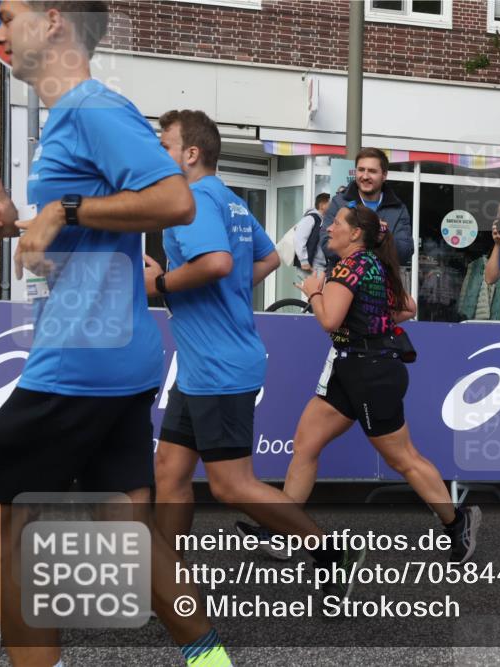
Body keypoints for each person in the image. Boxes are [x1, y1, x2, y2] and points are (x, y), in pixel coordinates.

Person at [0, 3, 226, 666]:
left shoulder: (93, 109)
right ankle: (212, 662)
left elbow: (176, 200)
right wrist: (20, 223)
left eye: (9, 14)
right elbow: (89, 229)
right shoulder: (73, 115)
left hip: (80, 360)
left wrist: (63, 208)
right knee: (130, 535)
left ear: (55, 20)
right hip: (116, 355)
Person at [146, 110, 365, 601]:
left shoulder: (198, 198)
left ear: (191, 153)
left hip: (220, 366)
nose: (159, 154)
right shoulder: (230, 200)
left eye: (165, 146)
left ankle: (332, 552)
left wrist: (159, 283)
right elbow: (268, 256)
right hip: (203, 364)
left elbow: (218, 262)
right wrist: (222, 291)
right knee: (169, 471)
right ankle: (167, 578)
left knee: (231, 486)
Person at [238, 203, 481, 564]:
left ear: (355, 234)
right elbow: (407, 307)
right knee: (305, 445)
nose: (329, 227)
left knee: (404, 459)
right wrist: (371, 318)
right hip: (350, 369)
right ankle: (285, 532)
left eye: (336, 223)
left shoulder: (352, 267)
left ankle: (457, 522)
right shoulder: (371, 264)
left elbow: (329, 321)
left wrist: (314, 291)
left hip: (371, 374)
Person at [320, 148, 413, 270]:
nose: (365, 176)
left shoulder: (398, 208)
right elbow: (326, 243)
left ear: (384, 175)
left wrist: (384, 238)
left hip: (381, 284)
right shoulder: (340, 202)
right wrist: (367, 237)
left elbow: (405, 252)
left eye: (372, 171)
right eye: (361, 170)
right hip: (343, 281)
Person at [294, 192, 331, 273]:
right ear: (322, 205)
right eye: (330, 204)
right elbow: (299, 239)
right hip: (312, 267)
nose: (332, 206)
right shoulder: (311, 218)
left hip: (320, 266)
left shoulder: (322, 220)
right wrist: (304, 261)